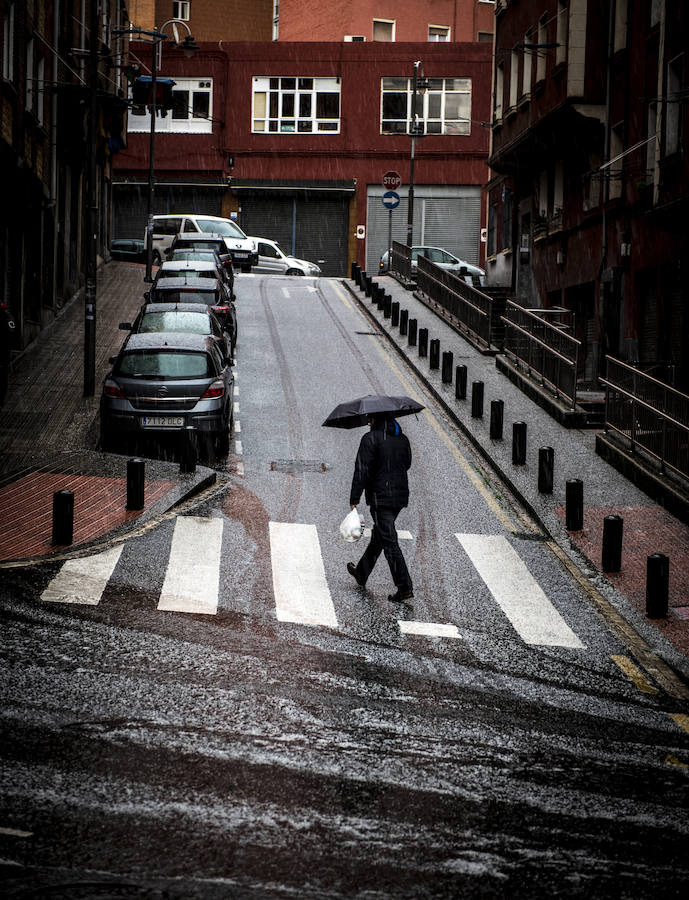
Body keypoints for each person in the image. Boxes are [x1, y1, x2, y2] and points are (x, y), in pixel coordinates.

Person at [346, 413, 414, 604]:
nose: (369, 421)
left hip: (380, 498)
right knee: (381, 535)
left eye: (370, 419)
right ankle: (361, 572)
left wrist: (354, 498)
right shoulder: (403, 439)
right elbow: (407, 464)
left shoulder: (370, 439)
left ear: (376, 420)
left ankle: (404, 586)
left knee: (389, 541)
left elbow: (362, 470)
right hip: (399, 497)